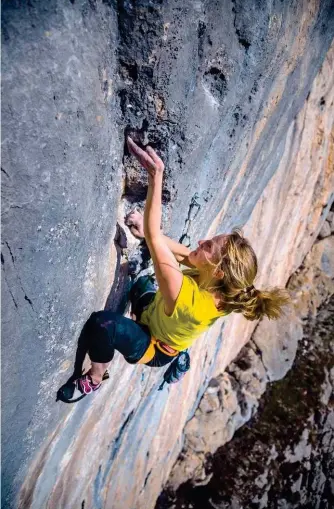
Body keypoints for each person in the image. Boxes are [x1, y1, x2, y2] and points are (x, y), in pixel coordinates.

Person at [62, 137, 290, 401]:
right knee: (141, 284)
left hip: (154, 346)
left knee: (102, 325)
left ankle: (94, 378)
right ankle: (150, 329)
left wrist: (155, 176)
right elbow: (179, 252)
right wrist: (147, 235)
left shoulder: (191, 303)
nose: (202, 242)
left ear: (217, 272)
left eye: (208, 248)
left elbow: (156, 236)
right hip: (157, 312)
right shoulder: (226, 287)